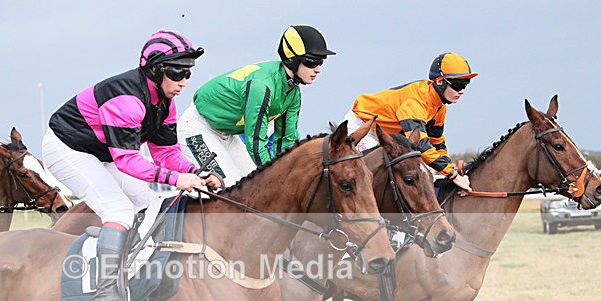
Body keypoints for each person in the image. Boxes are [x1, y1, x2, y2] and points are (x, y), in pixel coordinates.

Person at [42, 29, 221, 301]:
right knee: (119, 210)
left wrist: (195, 172)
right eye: (177, 72)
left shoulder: (166, 103)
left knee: (152, 204)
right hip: (68, 148)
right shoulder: (127, 100)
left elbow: (165, 153)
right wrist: (176, 179)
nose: (184, 81)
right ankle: (104, 293)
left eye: (188, 73)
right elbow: (127, 160)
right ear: (155, 70)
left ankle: (133, 275)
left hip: (102, 151)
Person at [178, 25, 335, 186]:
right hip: (198, 128)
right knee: (230, 190)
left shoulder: (293, 93)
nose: (318, 69)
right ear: (292, 59)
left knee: (253, 187)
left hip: (227, 134)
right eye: (312, 62)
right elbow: (256, 142)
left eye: (321, 62)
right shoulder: (261, 86)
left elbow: (285, 142)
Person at [343, 52, 476, 193]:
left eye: (465, 85)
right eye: (457, 84)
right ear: (439, 81)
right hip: (363, 128)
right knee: (375, 174)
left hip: (387, 135)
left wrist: (451, 170)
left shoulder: (439, 107)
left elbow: (437, 143)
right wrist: (452, 174)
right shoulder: (416, 102)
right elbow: (421, 145)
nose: (461, 91)